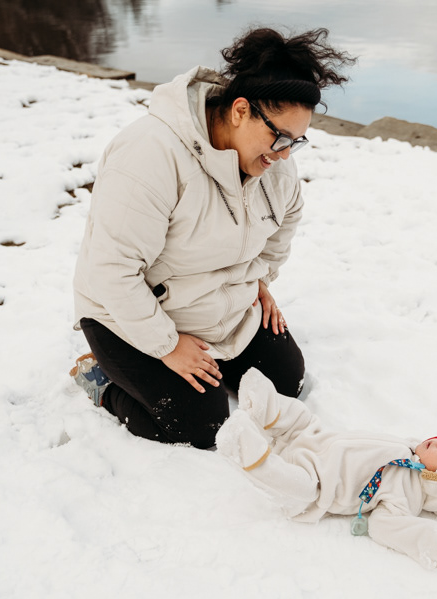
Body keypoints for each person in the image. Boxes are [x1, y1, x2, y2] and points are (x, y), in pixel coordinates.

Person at [71, 28, 355, 449]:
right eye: (279, 138)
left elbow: (284, 226)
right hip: (129, 316)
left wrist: (259, 282)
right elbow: (112, 271)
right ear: (241, 110)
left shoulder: (273, 164)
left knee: (286, 386)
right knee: (199, 426)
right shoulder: (150, 154)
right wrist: (167, 345)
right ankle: (100, 381)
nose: (284, 154)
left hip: (225, 309)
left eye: (297, 142)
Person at [215, 369, 437, 570]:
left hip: (317, 484)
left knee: (292, 486)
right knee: (300, 419)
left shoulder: (408, 496)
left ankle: (247, 450)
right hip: (314, 439)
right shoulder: (411, 448)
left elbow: (384, 526)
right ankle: (262, 407)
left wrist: (421, 537)